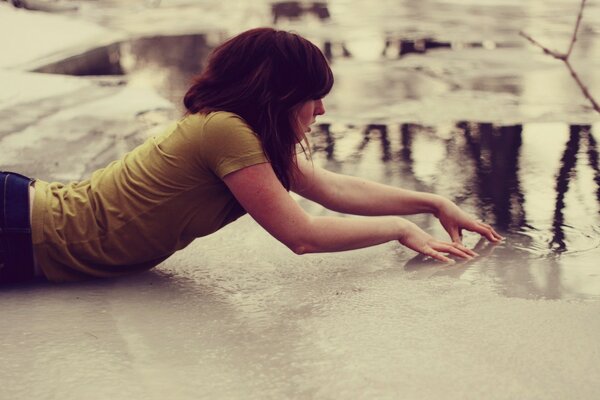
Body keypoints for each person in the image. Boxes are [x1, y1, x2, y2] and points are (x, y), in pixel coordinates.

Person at [0, 28, 502, 285]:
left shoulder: (240, 136)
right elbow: (301, 236)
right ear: (279, 93)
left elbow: (333, 188)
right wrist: (400, 229)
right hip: (23, 229)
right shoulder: (225, 131)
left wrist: (432, 203)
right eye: (313, 95)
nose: (321, 109)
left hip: (26, 226)